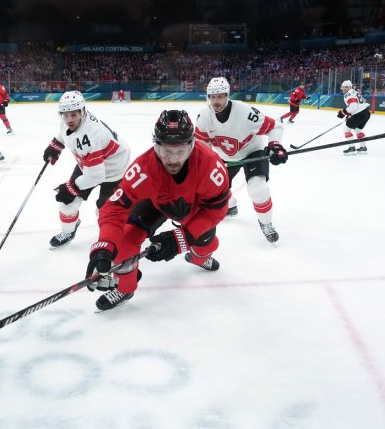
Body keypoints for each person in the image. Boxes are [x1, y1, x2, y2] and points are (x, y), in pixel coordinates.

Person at [84, 110, 230, 311]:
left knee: (205, 244)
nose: (172, 159)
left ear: (192, 145)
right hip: (157, 204)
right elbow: (114, 208)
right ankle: (126, 287)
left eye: (179, 151)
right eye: (166, 151)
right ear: (155, 145)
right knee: (124, 242)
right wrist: (104, 245)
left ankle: (200, 257)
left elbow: (216, 211)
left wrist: (184, 238)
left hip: (194, 210)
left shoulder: (211, 166)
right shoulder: (143, 168)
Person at [194, 76, 288, 243]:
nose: (216, 101)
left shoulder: (245, 113)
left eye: (220, 96)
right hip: (224, 156)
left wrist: (275, 145)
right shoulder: (204, 117)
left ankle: (266, 223)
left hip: (252, 151)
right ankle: (231, 205)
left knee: (257, 188)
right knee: (214, 188)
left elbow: (275, 126)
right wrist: (204, 165)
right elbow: (203, 144)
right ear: (208, 97)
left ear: (227, 95)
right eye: (213, 97)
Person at [42, 90, 131, 249]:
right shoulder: (68, 120)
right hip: (89, 162)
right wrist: (55, 145)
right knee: (67, 204)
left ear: (82, 112)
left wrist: (71, 187)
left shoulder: (90, 135)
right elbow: (65, 133)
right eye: (65, 115)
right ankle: (68, 231)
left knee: (106, 211)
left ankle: (118, 235)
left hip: (113, 168)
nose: (69, 120)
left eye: (74, 115)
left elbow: (96, 176)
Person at [338, 80, 371, 155]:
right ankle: (363, 147)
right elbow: (356, 106)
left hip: (359, 113)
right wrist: (350, 114)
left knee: (346, 128)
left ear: (350, 87)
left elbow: (353, 106)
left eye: (346, 87)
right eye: (343, 87)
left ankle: (352, 148)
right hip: (366, 113)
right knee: (357, 129)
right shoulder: (354, 92)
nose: (344, 89)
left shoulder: (348, 94)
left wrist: (343, 112)